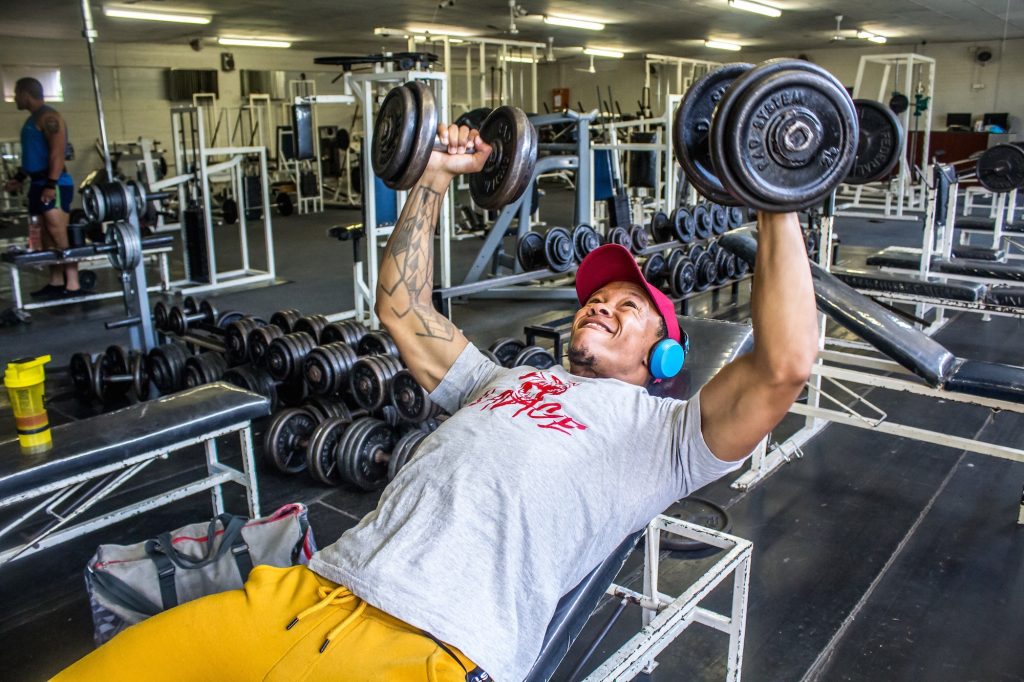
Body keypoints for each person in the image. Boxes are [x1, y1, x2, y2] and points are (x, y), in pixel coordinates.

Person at [55, 122, 818, 681]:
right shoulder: (504, 381)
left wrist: (774, 194)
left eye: (627, 305)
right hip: (302, 594)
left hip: (431, 650)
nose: (599, 306)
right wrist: (434, 178)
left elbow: (783, 365)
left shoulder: (667, 436)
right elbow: (403, 310)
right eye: (594, 297)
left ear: (667, 351)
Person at [4, 76, 79, 298]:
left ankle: (73, 284)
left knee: (58, 233)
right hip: (38, 183)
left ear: (26, 94)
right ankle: (56, 281)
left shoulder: (49, 117)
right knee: (45, 235)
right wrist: (19, 177)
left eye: (16, 94)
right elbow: (33, 156)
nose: (15, 98)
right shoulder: (32, 119)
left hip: (53, 183)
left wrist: (50, 184)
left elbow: (57, 153)